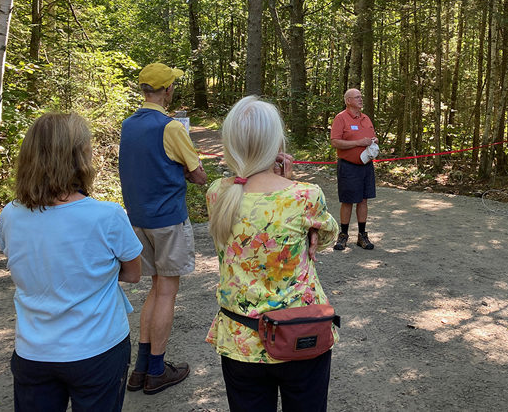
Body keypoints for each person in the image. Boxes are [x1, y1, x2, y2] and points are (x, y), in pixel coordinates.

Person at [0, 113, 143, 412]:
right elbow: (132, 274)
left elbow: (19, 264)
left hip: (33, 350)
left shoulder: (11, 215)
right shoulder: (107, 215)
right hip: (98, 347)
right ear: (80, 157)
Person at [205, 96, 339, 412]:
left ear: (230, 143)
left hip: (240, 339)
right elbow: (328, 238)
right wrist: (288, 182)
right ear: (277, 143)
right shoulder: (304, 196)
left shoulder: (217, 194)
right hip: (302, 331)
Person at [119, 62, 207, 394]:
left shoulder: (128, 125)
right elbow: (198, 174)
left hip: (138, 220)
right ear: (167, 90)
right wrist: (186, 172)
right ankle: (156, 370)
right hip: (168, 220)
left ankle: (140, 369)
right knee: (167, 292)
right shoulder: (170, 127)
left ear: (144, 90)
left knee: (154, 290)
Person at [330, 88, 378, 250]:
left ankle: (362, 236)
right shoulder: (341, 118)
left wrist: (373, 141)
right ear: (348, 100)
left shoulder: (366, 118)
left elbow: (370, 137)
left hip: (366, 166)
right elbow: (335, 142)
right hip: (348, 166)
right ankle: (343, 235)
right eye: (357, 97)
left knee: (363, 200)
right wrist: (358, 143)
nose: (360, 99)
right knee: (348, 200)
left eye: (361, 96)